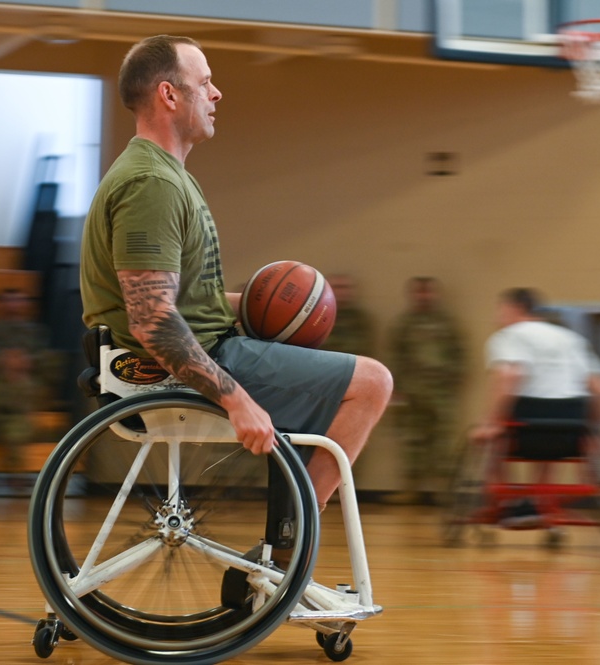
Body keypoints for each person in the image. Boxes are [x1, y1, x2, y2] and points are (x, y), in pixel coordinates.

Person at [79, 35, 392, 559]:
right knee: (371, 384)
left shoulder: (167, 177)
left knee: (344, 385)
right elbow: (153, 317)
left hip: (196, 351)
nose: (217, 94)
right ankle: (293, 540)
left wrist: (251, 304)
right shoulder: (150, 184)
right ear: (169, 96)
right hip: (173, 367)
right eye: (204, 82)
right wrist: (235, 398)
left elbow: (180, 299)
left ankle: (283, 539)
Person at [473, 288, 600, 526]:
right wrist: (593, 431)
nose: (497, 318)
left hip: (522, 434)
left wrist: (489, 421)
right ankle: (536, 502)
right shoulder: (572, 339)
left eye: (500, 311)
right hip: (568, 436)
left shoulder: (508, 335)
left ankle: (508, 505)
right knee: (554, 426)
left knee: (491, 434)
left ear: (513, 309)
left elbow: (509, 376)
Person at [388, 276, 466, 500]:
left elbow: (459, 352)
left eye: (428, 292)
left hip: (441, 392)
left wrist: (453, 379)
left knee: (443, 440)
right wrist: (396, 386)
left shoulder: (448, 323)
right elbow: (396, 356)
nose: (424, 296)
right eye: (419, 292)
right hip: (411, 391)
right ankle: (410, 490)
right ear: (413, 295)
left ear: (435, 294)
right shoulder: (403, 325)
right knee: (412, 441)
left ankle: (443, 490)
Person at [0, 288, 65, 409]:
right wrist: (4, 360)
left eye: (18, 300)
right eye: (8, 301)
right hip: (0, 379)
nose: (13, 305)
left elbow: (44, 356)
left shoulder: (36, 331)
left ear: (26, 304)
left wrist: (26, 360)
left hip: (30, 378)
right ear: (0, 304)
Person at [0, 346, 38, 489]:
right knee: (14, 432)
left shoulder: (29, 383)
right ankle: (17, 475)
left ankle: (18, 475)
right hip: (2, 422)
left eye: (18, 357)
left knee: (19, 428)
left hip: (23, 423)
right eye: (11, 358)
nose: (16, 361)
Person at [320, 274, 375, 358]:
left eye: (345, 288)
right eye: (337, 287)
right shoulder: (319, 316)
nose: (342, 292)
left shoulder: (360, 319)